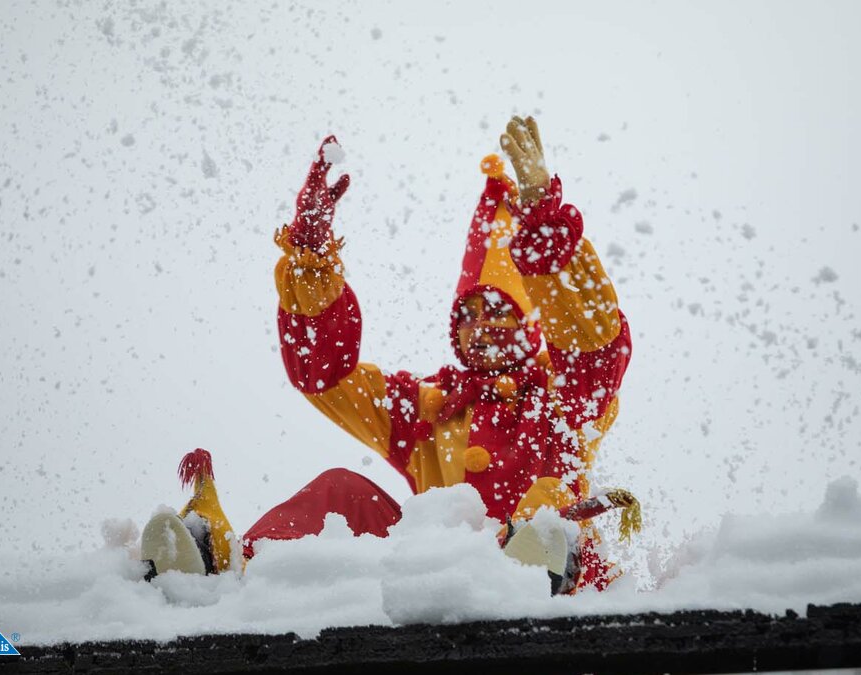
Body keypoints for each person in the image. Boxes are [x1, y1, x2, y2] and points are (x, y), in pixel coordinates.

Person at [267, 116, 636, 592]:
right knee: (342, 490)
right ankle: (223, 568)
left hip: (560, 593)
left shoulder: (563, 395)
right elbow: (324, 378)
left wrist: (542, 226)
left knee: (545, 504)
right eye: (468, 313)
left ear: (528, 323)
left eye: (496, 311)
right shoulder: (427, 405)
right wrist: (311, 251)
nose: (478, 326)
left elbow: (598, 350)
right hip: (443, 581)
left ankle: (531, 566)